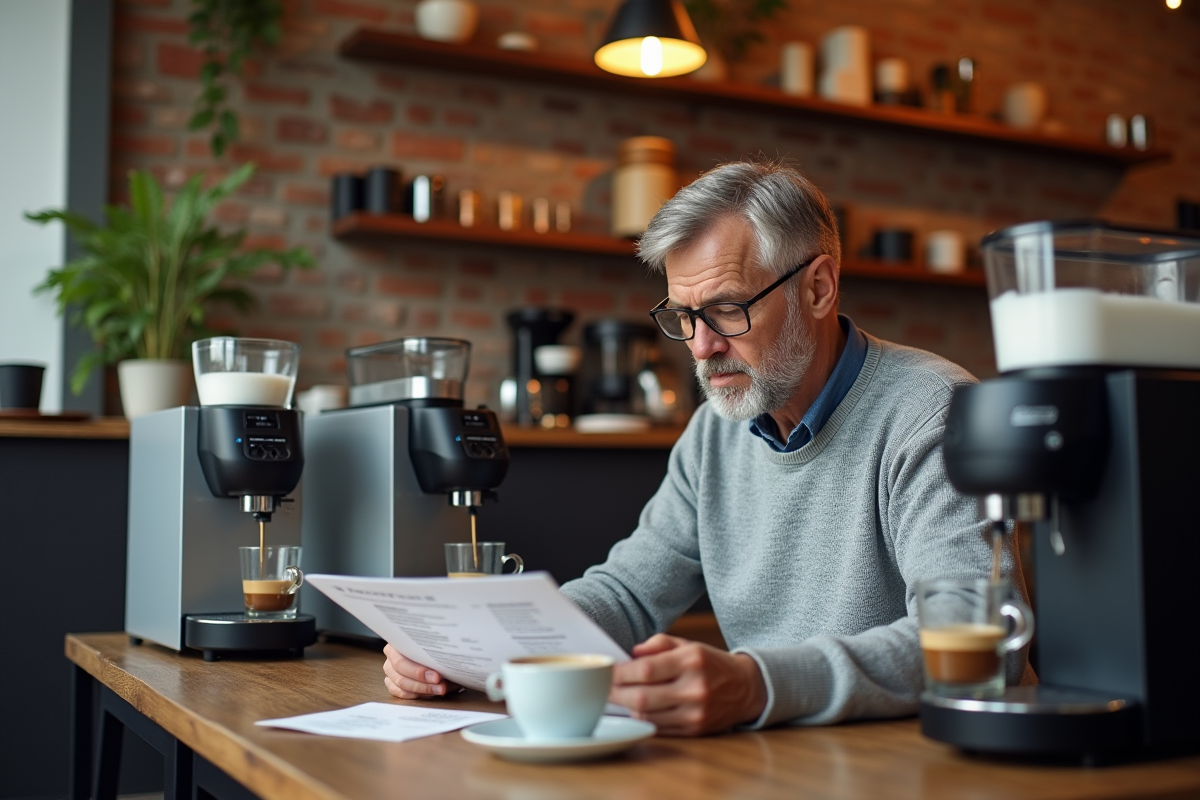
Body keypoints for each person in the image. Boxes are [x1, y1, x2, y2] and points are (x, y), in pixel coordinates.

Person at [383, 158, 1033, 735]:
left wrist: (756, 684)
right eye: (682, 316)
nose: (700, 346)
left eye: (725, 309)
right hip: (772, 761)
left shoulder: (933, 411)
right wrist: (472, 644)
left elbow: (977, 646)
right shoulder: (713, 431)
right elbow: (628, 593)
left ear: (818, 287)